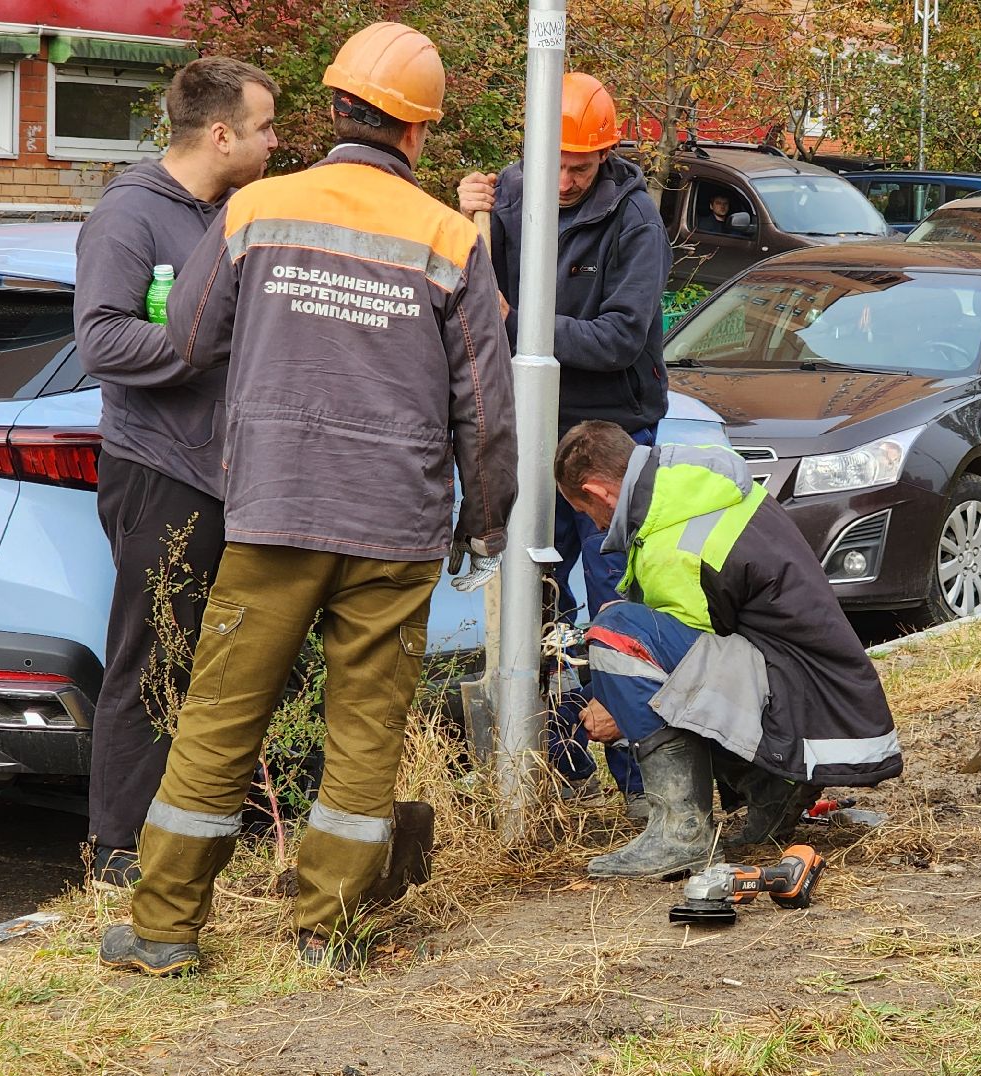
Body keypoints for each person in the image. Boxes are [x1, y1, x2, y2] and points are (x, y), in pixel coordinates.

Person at [98, 21, 517, 976]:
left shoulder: (255, 213)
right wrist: (482, 518)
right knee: (365, 733)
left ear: (333, 112)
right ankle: (325, 934)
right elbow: (486, 408)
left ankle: (164, 929)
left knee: (218, 715)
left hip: (274, 510)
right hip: (393, 525)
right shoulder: (449, 236)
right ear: (416, 134)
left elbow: (191, 339)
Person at [72, 56, 279, 890]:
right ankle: (119, 850)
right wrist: (214, 341)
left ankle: (234, 831)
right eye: (264, 126)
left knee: (240, 659)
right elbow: (104, 341)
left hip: (238, 475)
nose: (275, 141)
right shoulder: (131, 218)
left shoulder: (238, 213)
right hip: (160, 471)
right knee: (153, 655)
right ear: (220, 133)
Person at [552, 421, 903, 878]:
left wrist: (621, 706)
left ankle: (682, 833)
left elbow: (674, 674)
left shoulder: (672, 543)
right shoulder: (688, 487)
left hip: (799, 708)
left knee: (616, 631)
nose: (595, 525)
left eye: (584, 510)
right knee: (631, 632)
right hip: (812, 694)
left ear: (597, 491)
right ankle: (770, 788)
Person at [456, 73, 672, 805]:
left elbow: (619, 337)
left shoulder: (635, 220)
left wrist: (519, 323)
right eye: (559, 163)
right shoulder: (511, 195)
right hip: (532, 430)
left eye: (583, 166)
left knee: (617, 612)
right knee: (535, 605)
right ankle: (556, 772)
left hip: (610, 431)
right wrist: (466, 221)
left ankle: (643, 782)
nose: (568, 179)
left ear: (606, 156)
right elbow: (469, 289)